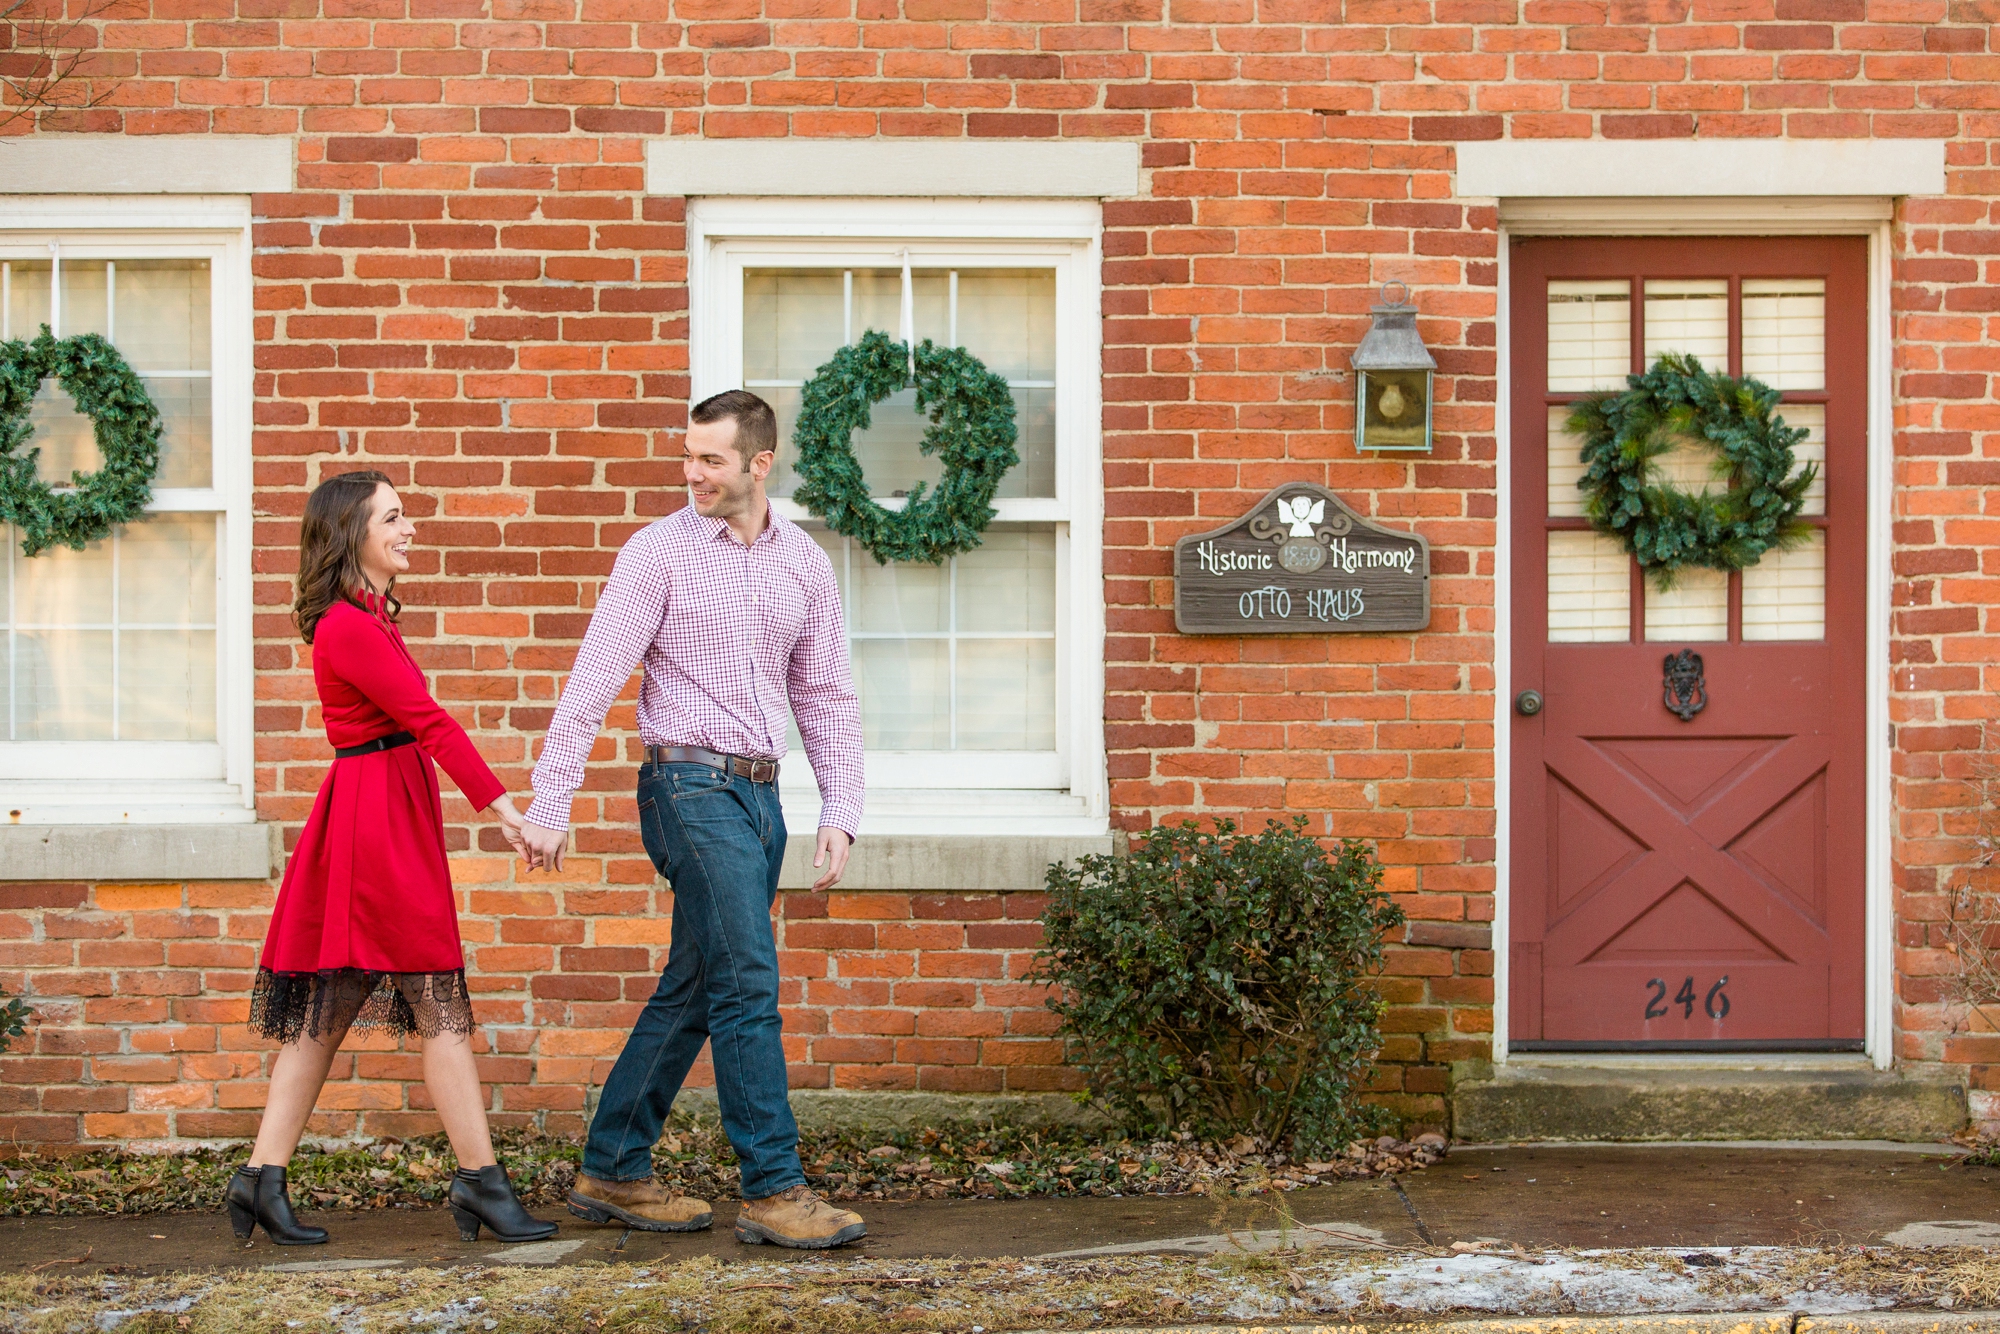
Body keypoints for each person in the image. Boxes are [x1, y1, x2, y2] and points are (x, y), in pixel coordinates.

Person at [519, 389, 867, 1250]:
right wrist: (549, 803)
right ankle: (774, 1188)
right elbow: (593, 678)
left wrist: (842, 808)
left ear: (759, 463)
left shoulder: (803, 564)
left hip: (761, 796)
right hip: (687, 790)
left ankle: (611, 1170)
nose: (692, 474)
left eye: (710, 459)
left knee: (698, 987)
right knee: (747, 977)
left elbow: (824, 694)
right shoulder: (658, 554)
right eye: (688, 456)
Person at [228, 470, 558, 1249]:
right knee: (434, 990)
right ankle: (481, 1183)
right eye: (394, 518)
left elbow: (418, 725)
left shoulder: (371, 616)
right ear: (354, 535)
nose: (410, 530)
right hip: (374, 823)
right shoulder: (349, 625)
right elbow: (429, 721)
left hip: (383, 809)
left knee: (330, 1006)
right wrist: (509, 812)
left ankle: (261, 1178)